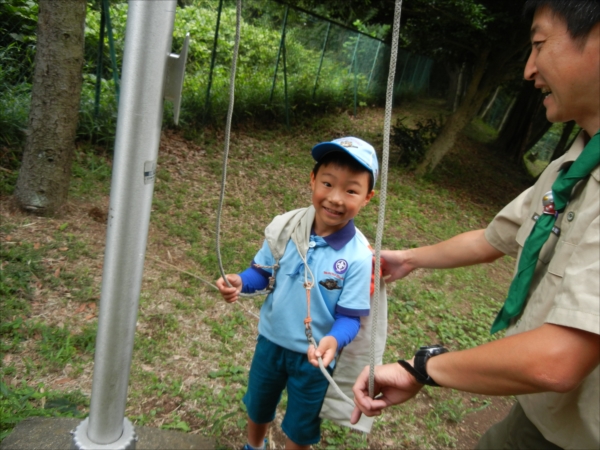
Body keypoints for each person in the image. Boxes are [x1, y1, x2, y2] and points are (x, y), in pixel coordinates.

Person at [351, 1, 600, 449]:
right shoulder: (577, 160)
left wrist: (421, 367)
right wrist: (407, 258)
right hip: (544, 414)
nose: (528, 70)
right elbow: (493, 239)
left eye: (540, 44)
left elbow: (558, 361)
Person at [216, 136, 378, 450]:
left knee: (302, 424)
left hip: (315, 359)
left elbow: (349, 318)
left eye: (351, 190)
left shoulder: (360, 256)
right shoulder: (285, 227)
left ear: (367, 197)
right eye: (328, 184)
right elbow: (262, 273)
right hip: (270, 342)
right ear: (313, 179)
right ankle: (255, 446)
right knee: (258, 404)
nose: (335, 198)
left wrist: (333, 340)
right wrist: (241, 281)